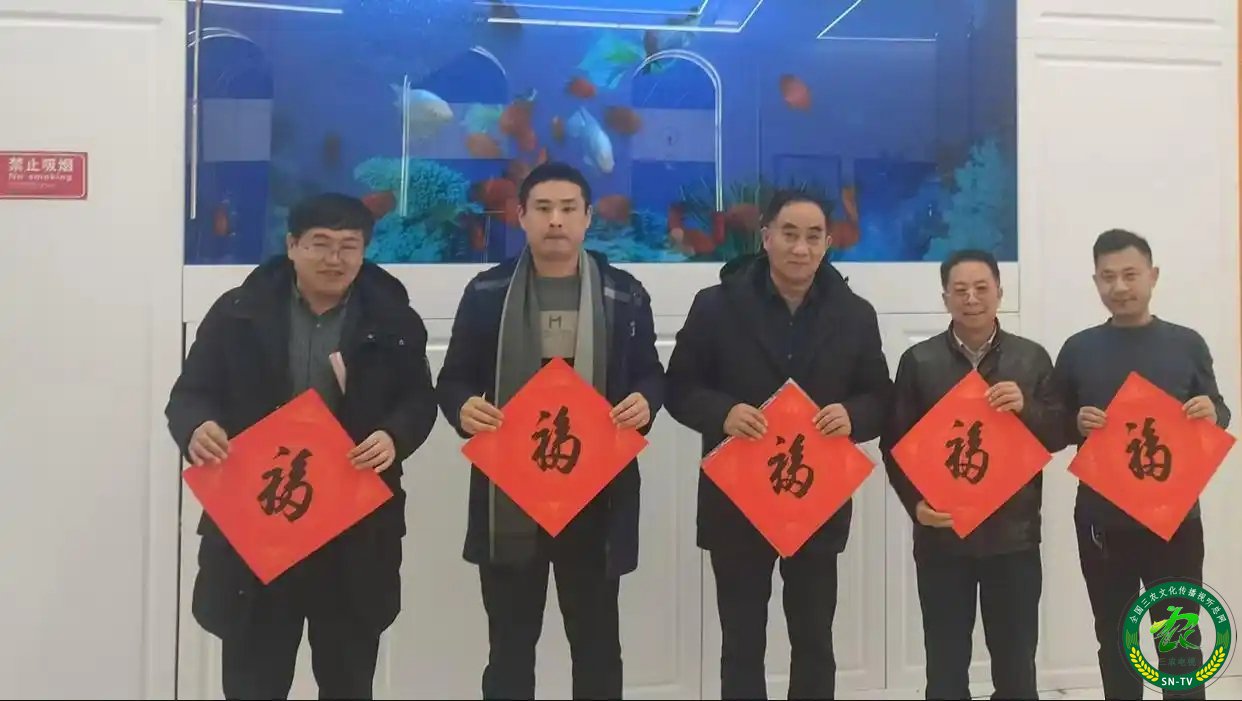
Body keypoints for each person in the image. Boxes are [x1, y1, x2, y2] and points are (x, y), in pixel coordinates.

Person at [165, 193, 438, 700]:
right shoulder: (238, 313)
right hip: (259, 521)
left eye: (348, 246)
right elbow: (190, 394)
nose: (334, 259)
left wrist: (394, 436)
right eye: (320, 244)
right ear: (292, 245)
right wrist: (197, 426)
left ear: (364, 250)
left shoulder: (393, 319)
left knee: (347, 679)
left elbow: (419, 401)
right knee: (254, 680)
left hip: (352, 527)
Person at [435, 162, 665, 700]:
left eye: (567, 209)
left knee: (597, 644)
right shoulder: (488, 291)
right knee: (510, 647)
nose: (555, 220)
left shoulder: (623, 293)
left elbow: (651, 374)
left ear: (588, 218)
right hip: (510, 494)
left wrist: (645, 401)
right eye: (542, 208)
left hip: (596, 494)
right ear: (521, 216)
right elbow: (453, 379)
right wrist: (464, 407)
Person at [664, 190, 892, 700]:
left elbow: (880, 397)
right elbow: (678, 388)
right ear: (765, 237)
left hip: (815, 501)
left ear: (828, 244)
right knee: (741, 642)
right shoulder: (716, 306)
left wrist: (852, 416)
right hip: (737, 501)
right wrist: (722, 413)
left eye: (813, 237)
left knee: (814, 639)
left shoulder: (855, 314)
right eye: (789, 234)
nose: (801, 248)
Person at [880, 249, 1068, 700]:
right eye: (960, 290)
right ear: (945, 297)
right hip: (943, 537)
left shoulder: (1031, 358)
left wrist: (1026, 407)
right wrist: (916, 505)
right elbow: (895, 444)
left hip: (1013, 537)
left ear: (999, 292)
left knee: (1016, 663)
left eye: (981, 288)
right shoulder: (919, 361)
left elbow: (1059, 434)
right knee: (945, 663)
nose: (971, 298)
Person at [1053, 228, 1231, 700]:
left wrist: (1212, 413)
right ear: (1095, 282)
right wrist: (1075, 422)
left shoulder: (1186, 343)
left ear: (1153, 276)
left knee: (1179, 643)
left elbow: (1219, 409)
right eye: (1108, 276)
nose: (1120, 286)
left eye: (1130, 274)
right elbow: (1051, 426)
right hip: (1102, 521)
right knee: (1115, 640)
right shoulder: (1078, 349)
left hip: (1174, 521)